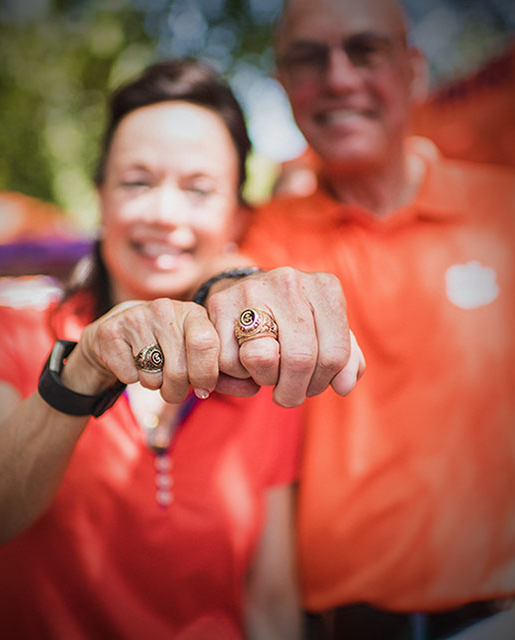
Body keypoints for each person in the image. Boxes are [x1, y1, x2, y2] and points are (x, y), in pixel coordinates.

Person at [0, 58, 367, 640]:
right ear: (100, 195)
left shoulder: (265, 368)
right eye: (137, 182)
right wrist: (84, 368)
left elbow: (271, 599)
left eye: (199, 190)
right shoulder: (16, 325)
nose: (164, 214)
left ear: (236, 215)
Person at [195, 0, 515, 638]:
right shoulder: (266, 233)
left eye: (365, 50)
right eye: (309, 59)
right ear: (284, 86)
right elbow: (218, 286)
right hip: (335, 623)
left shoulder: (503, 210)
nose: (339, 79)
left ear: (414, 70)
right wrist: (228, 292)